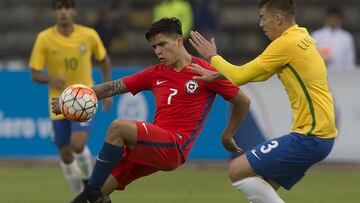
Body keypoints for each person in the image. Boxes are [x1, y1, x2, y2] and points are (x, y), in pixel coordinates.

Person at [51, 17, 250, 203]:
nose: (158, 51)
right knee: (99, 195)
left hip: (174, 146)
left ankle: (90, 187)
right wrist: (70, 100)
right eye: (154, 47)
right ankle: (94, 192)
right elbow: (112, 87)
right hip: (152, 146)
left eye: (162, 44)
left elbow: (242, 100)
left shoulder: (204, 72)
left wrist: (227, 134)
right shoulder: (155, 74)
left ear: (179, 40)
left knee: (118, 127)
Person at [188, 0, 337, 202]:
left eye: (262, 17)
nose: (261, 24)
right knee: (263, 189)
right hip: (322, 136)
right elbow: (258, 73)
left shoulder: (285, 44)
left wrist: (212, 57)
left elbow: (240, 76)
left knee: (236, 170)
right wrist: (219, 75)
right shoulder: (301, 36)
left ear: (277, 19)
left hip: (309, 136)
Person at [28, 0, 112, 194]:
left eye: (67, 8)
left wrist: (106, 90)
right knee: (66, 154)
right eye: (59, 9)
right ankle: (79, 194)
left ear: (73, 12)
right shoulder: (44, 38)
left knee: (77, 144)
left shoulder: (89, 35)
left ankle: (92, 187)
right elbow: (35, 74)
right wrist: (50, 78)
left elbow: (104, 59)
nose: (63, 12)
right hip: (58, 101)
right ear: (54, 13)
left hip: (84, 99)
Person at [312, 6, 357, 70]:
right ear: (327, 18)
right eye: (331, 18)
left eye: (336, 18)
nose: (334, 20)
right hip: (321, 73)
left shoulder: (346, 37)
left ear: (341, 19)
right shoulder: (317, 35)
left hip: (341, 74)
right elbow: (312, 56)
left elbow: (350, 60)